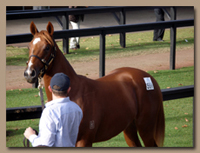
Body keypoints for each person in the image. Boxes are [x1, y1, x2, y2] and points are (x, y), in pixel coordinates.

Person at [24, 73, 83, 147]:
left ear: (50, 89)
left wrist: (31, 136)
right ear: (68, 90)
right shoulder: (77, 108)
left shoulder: (49, 112)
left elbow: (45, 145)